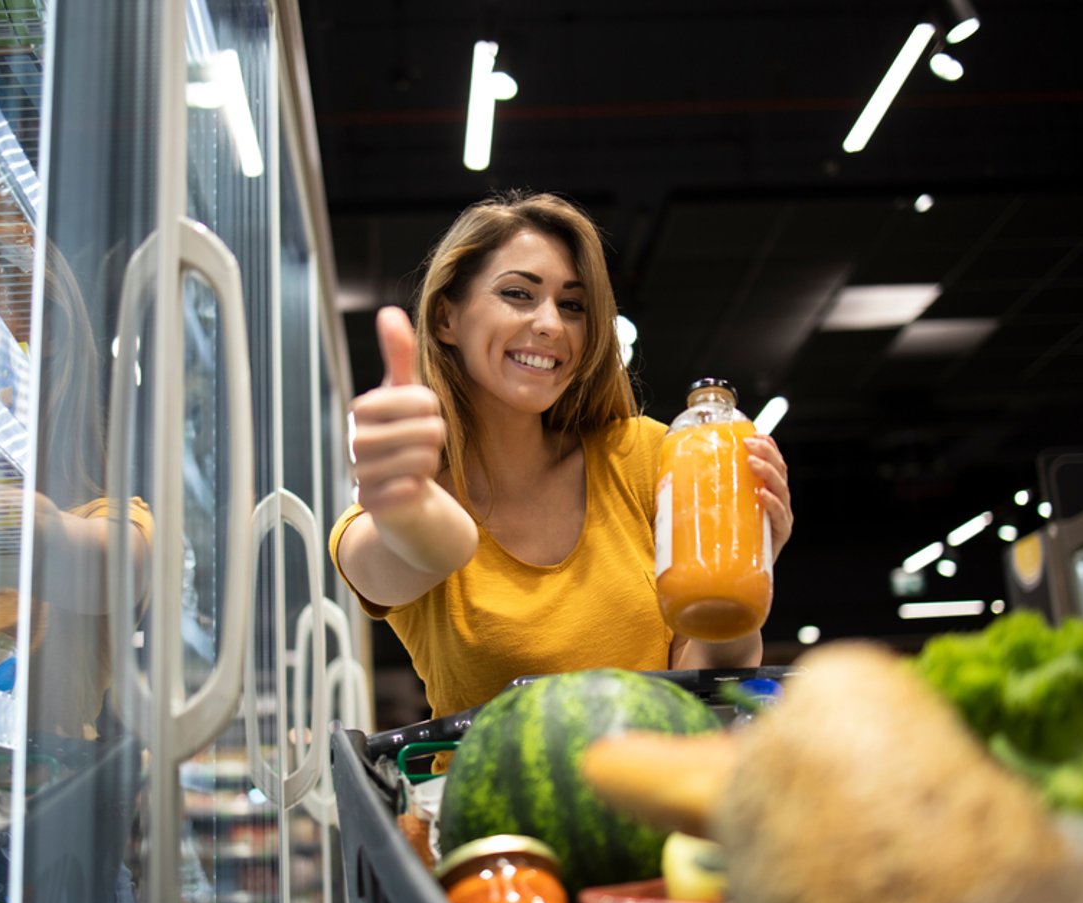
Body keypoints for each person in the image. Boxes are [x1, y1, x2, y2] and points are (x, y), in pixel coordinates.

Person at [329, 190, 793, 725]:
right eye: (518, 294)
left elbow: (705, 680)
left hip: (652, 791)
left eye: (572, 305)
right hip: (491, 805)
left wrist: (740, 575)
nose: (551, 323)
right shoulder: (382, 521)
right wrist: (405, 505)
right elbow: (425, 552)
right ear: (444, 320)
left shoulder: (648, 455)